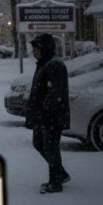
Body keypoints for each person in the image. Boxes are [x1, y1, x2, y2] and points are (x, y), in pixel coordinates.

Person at [25, 33, 71, 194]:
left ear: (45, 48)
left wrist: (45, 110)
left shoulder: (55, 65)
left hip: (52, 116)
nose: (34, 51)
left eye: (36, 48)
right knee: (39, 143)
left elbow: (55, 93)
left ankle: (55, 182)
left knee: (51, 148)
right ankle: (61, 173)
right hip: (42, 115)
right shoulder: (45, 62)